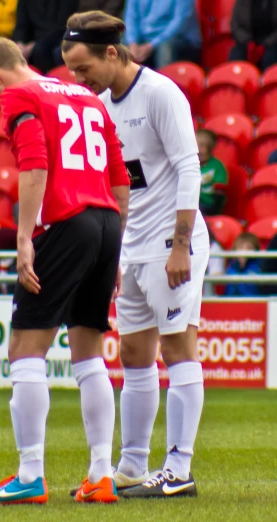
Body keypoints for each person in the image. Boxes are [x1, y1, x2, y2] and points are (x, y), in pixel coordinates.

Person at [0, 36, 130, 505]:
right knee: (89, 351)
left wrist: (23, 240)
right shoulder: (82, 94)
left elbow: (34, 165)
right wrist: (116, 240)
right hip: (105, 223)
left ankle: (30, 474)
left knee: (25, 348)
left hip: (65, 222)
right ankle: (101, 475)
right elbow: (119, 174)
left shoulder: (21, 95)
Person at [62, 10, 210, 498]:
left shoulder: (160, 93)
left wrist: (181, 246)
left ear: (111, 52)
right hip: (132, 247)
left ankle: (180, 468)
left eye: (84, 69)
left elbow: (190, 170)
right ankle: (131, 465)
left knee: (177, 348)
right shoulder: (100, 105)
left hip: (173, 243)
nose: (79, 80)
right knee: (132, 352)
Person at [122, 0, 202, 69]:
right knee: (118, 46)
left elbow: (179, 23)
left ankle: (164, 84)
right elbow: (131, 17)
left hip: (180, 39)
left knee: (165, 47)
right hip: (145, 39)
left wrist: (151, 45)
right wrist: (132, 43)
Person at [230, 0, 277, 71]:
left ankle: (269, 81)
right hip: (246, 42)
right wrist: (247, 42)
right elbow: (235, 25)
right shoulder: (241, 2)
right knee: (236, 56)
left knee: (270, 58)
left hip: (271, 42)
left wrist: (267, 43)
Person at [196, 129, 228, 216]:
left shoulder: (217, 166)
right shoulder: (190, 164)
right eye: (196, 145)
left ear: (210, 148)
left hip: (207, 205)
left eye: (202, 146)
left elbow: (220, 194)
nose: (198, 149)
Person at [225, 232, 262, 297]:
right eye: (241, 248)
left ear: (256, 250)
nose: (244, 252)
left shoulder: (259, 267)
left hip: (253, 302)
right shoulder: (231, 267)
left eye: (249, 248)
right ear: (235, 249)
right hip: (231, 302)